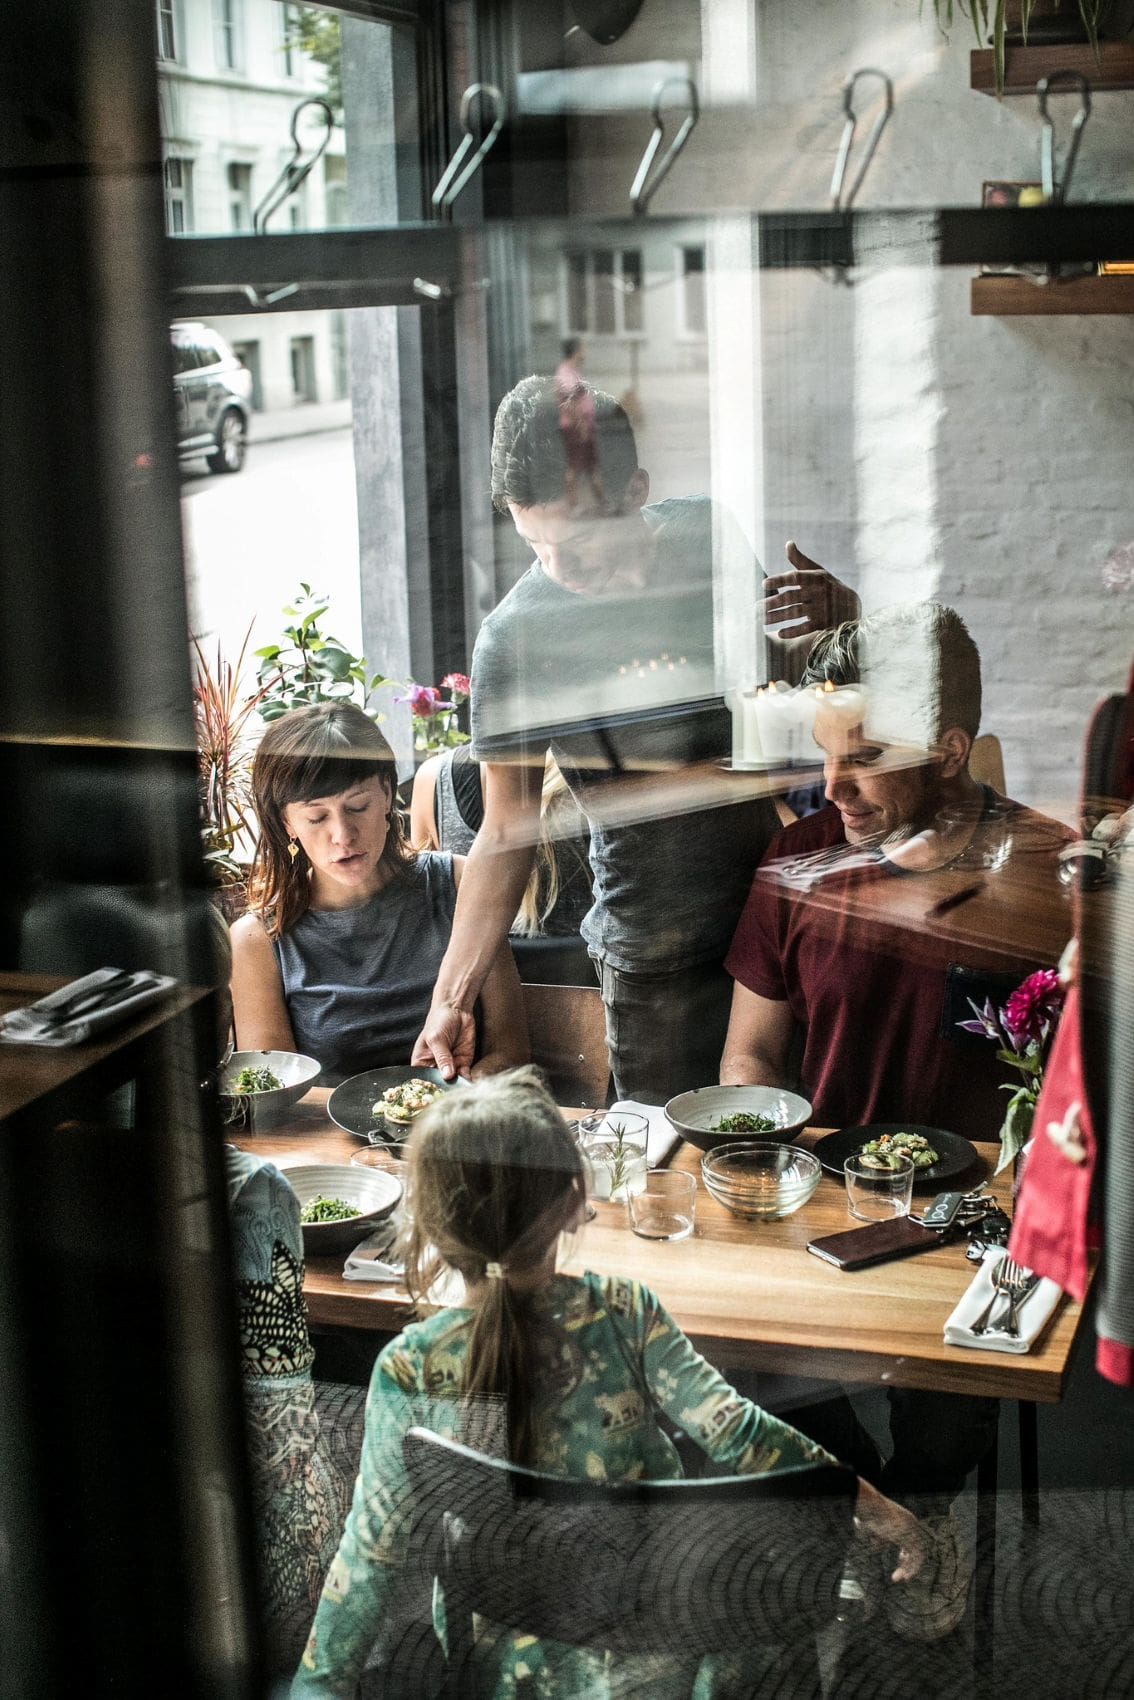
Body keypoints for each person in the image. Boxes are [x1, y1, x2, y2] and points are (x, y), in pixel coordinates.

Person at [292, 1068, 924, 1699]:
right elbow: (739, 1432)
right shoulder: (624, 1314)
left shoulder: (408, 1367)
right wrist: (875, 1508)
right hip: (658, 1647)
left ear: (429, 1223)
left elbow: (370, 1557)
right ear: (575, 1203)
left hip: (505, 1667)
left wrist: (316, 1689)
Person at [413, 374, 859, 1103]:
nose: (558, 568)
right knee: (666, 1159)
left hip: (774, 916)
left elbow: (771, 686)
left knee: (791, 1139)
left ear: (636, 490)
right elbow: (505, 830)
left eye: (578, 539)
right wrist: (451, 997)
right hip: (655, 956)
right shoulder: (516, 637)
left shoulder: (706, 534)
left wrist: (839, 623)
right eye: (534, 542)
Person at [721, 602, 1071, 1517]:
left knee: (947, 1412)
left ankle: (909, 1525)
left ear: (949, 751)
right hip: (823, 1207)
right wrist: (771, 1172)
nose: (833, 787)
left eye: (866, 757)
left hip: (975, 1227)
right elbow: (749, 1058)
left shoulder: (1047, 871)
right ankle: (873, 1514)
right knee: (733, 1356)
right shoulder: (798, 860)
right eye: (826, 754)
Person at [230, 702, 526, 1086]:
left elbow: (511, 1054)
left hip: (464, 1114)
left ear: (387, 794)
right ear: (286, 822)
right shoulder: (256, 941)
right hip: (325, 1127)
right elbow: (274, 1091)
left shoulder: (461, 883)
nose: (343, 835)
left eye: (358, 806)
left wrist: (446, 1103)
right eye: (317, 817)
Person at [410, 743, 593, 943]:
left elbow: (424, 928)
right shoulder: (593, 774)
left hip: (474, 960)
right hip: (584, 960)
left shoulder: (435, 778)